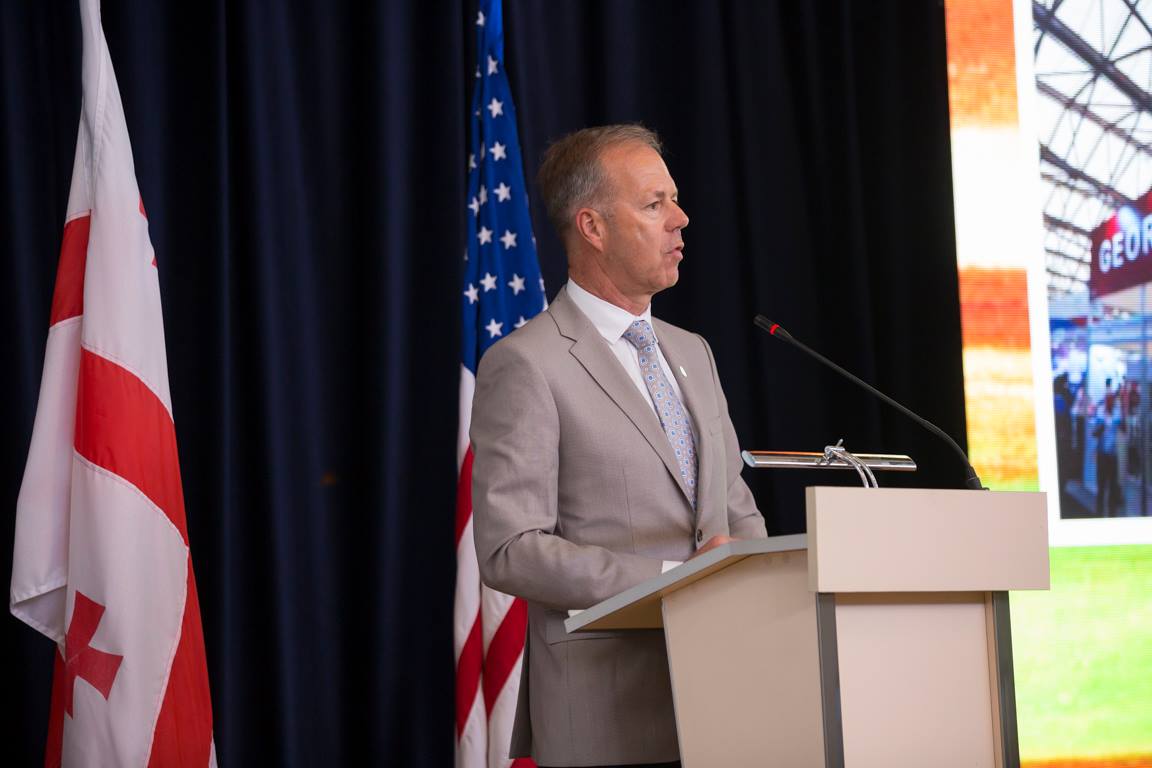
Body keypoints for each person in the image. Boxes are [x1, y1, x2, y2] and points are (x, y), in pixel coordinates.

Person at [470, 124, 768, 768]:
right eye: (655, 204)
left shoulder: (693, 352)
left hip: (724, 701)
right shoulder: (526, 364)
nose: (681, 219)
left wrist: (749, 578)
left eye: (675, 200)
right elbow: (509, 550)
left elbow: (734, 510)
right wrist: (673, 583)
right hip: (606, 712)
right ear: (593, 227)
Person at [1093, 390, 1125, 517]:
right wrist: (1100, 427)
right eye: (1108, 400)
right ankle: (1099, 513)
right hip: (1102, 455)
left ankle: (1112, 514)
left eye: (1112, 400)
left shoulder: (1117, 414)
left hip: (1113, 456)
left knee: (1112, 484)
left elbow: (1123, 428)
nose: (1110, 402)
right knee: (1101, 485)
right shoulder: (1100, 413)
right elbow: (1094, 433)